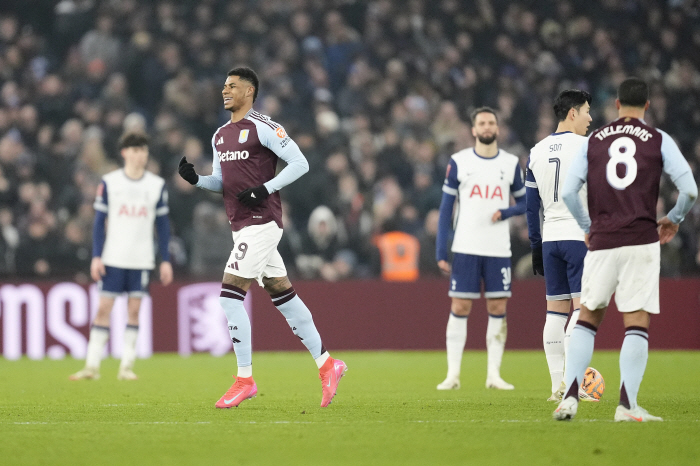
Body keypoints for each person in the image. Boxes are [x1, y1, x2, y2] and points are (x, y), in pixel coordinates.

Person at [177, 67, 347, 409]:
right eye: (224, 86)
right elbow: (222, 183)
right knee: (284, 297)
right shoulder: (220, 135)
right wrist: (196, 179)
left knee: (228, 298)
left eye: (233, 86)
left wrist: (266, 189)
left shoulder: (264, 127)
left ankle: (245, 379)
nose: (225, 91)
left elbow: (300, 163)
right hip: (241, 225)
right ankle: (328, 364)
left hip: (262, 222)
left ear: (249, 92)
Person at [554, 78, 698, 422]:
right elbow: (690, 190)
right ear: (647, 106)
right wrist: (673, 219)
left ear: (616, 105)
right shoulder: (659, 140)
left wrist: (589, 229)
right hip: (641, 240)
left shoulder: (594, 141)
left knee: (587, 316)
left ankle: (570, 399)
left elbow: (570, 193)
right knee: (636, 321)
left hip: (602, 241)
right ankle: (626, 406)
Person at [435, 107, 526, 391]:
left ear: (498, 129)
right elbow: (445, 209)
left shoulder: (511, 163)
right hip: (466, 246)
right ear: (473, 130)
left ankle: (494, 375)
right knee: (460, 305)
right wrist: (441, 250)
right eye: (481, 123)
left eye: (491, 123)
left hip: (498, 247)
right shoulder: (459, 162)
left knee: (497, 306)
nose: (487, 127)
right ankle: (452, 375)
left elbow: (526, 203)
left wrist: (507, 212)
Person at [70, 132, 173, 381]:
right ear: (125, 153)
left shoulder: (156, 185)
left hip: (141, 259)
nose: (141, 156)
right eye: (136, 150)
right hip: (113, 257)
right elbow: (98, 222)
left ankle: (126, 366)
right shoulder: (110, 182)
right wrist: (97, 256)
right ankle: (92, 366)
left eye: (144, 151)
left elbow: (163, 226)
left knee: (134, 311)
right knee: (103, 308)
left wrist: (165, 259)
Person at [526, 89, 593, 401]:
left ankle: (556, 386)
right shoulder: (588, 147)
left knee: (555, 312)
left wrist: (536, 246)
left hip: (550, 237)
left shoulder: (536, 151)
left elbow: (530, 207)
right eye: (587, 112)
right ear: (572, 113)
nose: (590, 119)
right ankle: (571, 383)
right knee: (582, 310)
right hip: (579, 236)